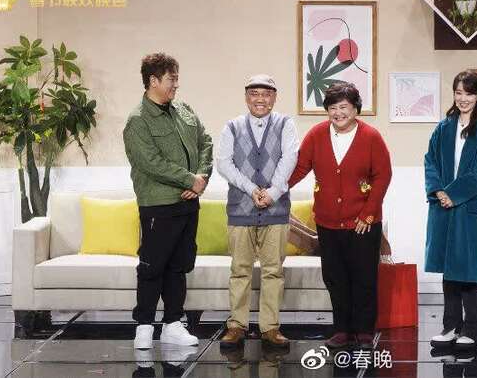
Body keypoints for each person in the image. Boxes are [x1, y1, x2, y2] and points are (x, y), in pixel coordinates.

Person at [288, 82, 392, 350]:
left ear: (355, 109)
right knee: (335, 278)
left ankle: (364, 331)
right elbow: (300, 168)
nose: (338, 113)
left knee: (364, 278)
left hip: (363, 223)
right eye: (332, 108)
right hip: (327, 222)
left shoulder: (371, 137)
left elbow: (383, 176)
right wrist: (276, 187)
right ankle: (342, 329)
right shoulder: (316, 134)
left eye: (344, 107)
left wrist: (368, 214)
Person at [123, 52, 213, 349]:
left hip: (188, 204)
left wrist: (200, 178)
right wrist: (190, 180)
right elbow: (150, 162)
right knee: (152, 266)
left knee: (179, 265)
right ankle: (144, 327)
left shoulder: (183, 110)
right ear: (153, 81)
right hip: (158, 205)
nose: (176, 84)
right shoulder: (138, 120)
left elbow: (205, 142)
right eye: (171, 79)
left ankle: (173, 324)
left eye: (176, 78)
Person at [215, 74, 299, 350]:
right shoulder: (232, 127)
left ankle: (270, 328)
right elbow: (224, 163)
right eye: (254, 93)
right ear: (246, 97)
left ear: (274, 97)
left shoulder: (286, 124)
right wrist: (252, 189)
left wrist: (273, 192)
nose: (260, 99)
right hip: (241, 209)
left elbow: (290, 158)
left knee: (273, 271)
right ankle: (236, 326)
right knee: (239, 270)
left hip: (276, 209)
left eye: (266, 93)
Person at [424, 70, 477, 351]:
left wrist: (453, 194)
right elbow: (430, 161)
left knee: (469, 271)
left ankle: (472, 329)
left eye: (469, 93)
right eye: (458, 93)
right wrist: (438, 191)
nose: (463, 99)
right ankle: (451, 327)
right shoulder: (443, 127)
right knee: (450, 271)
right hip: (444, 208)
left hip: (471, 208)